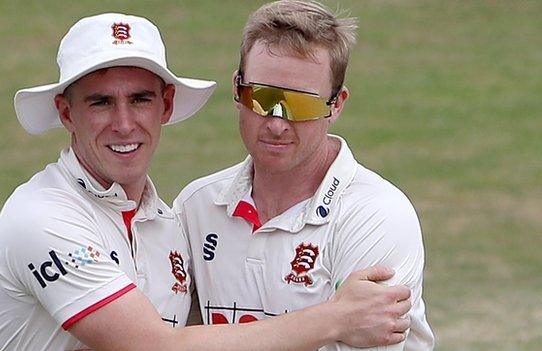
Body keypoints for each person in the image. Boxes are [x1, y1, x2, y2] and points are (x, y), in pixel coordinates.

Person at [0, 11, 412, 351]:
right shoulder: (45, 218)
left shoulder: (169, 222)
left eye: (140, 99)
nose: (123, 123)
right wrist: (336, 318)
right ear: (66, 113)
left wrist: (18, 272)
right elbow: (155, 346)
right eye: (100, 102)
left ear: (167, 105)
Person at [172, 1, 435, 350]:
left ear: (336, 104)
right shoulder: (197, 206)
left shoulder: (376, 215)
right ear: (237, 89)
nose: (277, 124)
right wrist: (333, 320)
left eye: (302, 104)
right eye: (262, 97)